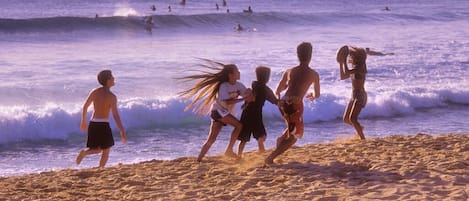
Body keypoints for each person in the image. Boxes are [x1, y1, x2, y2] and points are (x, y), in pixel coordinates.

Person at [177, 60, 252, 162]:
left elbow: (248, 96)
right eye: (237, 71)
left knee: (212, 139)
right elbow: (228, 102)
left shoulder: (239, 85)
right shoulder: (224, 86)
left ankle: (199, 159)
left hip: (225, 113)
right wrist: (243, 99)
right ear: (230, 75)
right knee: (238, 126)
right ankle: (229, 150)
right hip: (218, 111)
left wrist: (250, 95)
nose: (239, 73)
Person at [264, 42, 320, 165]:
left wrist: (287, 88)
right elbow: (317, 94)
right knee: (295, 135)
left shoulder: (289, 71)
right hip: (295, 105)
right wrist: (312, 95)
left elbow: (278, 90)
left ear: (297, 55)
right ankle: (271, 157)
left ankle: (280, 141)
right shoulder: (313, 74)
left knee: (291, 127)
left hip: (283, 103)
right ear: (310, 55)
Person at [76, 70, 127, 168]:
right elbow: (115, 115)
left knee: (97, 149)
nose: (114, 79)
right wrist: (122, 131)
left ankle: (84, 153)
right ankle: (100, 169)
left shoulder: (95, 92)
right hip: (104, 125)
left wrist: (83, 121)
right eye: (112, 77)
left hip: (93, 123)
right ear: (108, 80)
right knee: (106, 150)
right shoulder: (112, 97)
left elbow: (85, 106)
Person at [237, 66, 278, 158]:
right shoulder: (266, 90)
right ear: (267, 77)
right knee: (261, 135)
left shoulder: (254, 85)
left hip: (246, 113)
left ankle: (239, 155)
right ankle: (261, 148)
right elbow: (275, 101)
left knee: (244, 137)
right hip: (256, 114)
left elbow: (250, 95)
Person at [337, 46, 367, 140]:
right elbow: (343, 76)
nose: (351, 58)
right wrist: (341, 63)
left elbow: (346, 72)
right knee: (346, 119)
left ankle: (363, 139)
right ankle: (360, 128)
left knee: (353, 119)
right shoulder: (355, 68)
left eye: (352, 57)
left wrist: (344, 61)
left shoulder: (361, 68)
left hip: (360, 95)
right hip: (354, 95)